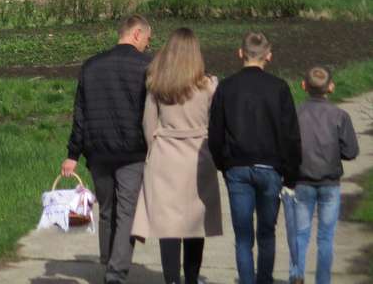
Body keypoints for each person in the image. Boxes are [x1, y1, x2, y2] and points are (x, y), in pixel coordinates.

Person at [62, 14, 153, 284]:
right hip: (132, 151)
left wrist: (72, 154)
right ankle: (116, 271)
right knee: (127, 212)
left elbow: (80, 113)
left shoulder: (91, 66)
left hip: (98, 151)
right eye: (148, 39)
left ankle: (109, 259)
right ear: (136, 34)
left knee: (107, 209)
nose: (148, 45)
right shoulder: (148, 66)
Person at [209, 31, 302, 284]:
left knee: (243, 237)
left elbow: (215, 132)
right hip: (271, 168)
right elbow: (291, 136)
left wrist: (223, 164)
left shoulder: (226, 87)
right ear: (268, 56)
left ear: (240, 53)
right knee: (266, 233)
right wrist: (291, 175)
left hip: (236, 168)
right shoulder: (279, 88)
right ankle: (264, 280)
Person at [132, 27, 222, 284]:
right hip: (199, 157)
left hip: (165, 158)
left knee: (168, 226)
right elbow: (215, 124)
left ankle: (171, 279)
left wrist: (156, 150)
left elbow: (148, 125)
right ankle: (191, 279)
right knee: (195, 225)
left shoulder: (157, 85)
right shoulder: (210, 86)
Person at [282, 65, 360, 284]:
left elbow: (286, 146)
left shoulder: (295, 113)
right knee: (326, 237)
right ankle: (323, 280)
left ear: (303, 86)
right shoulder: (340, 115)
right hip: (330, 182)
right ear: (331, 87)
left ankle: (296, 273)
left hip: (301, 180)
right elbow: (351, 151)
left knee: (300, 233)